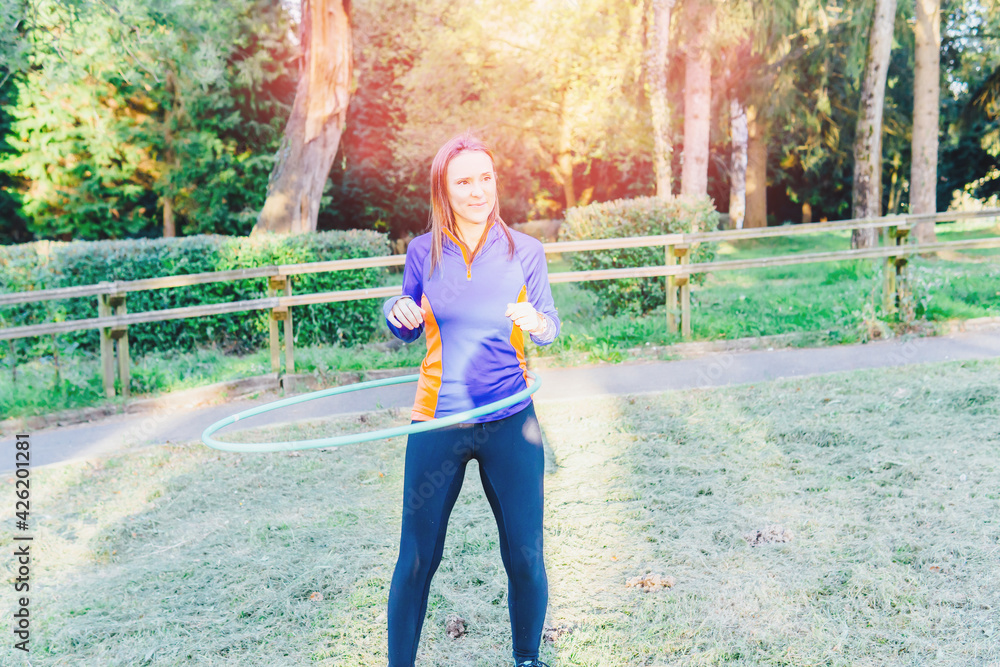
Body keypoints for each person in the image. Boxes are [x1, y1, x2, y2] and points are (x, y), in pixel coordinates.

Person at [382, 133, 560, 667]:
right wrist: (397, 310)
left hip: (511, 419)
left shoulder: (525, 250)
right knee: (416, 558)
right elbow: (406, 324)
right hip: (438, 420)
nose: (478, 190)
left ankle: (526, 659)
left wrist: (537, 322)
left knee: (526, 556)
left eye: (486, 178)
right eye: (464, 181)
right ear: (444, 189)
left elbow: (549, 326)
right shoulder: (422, 252)